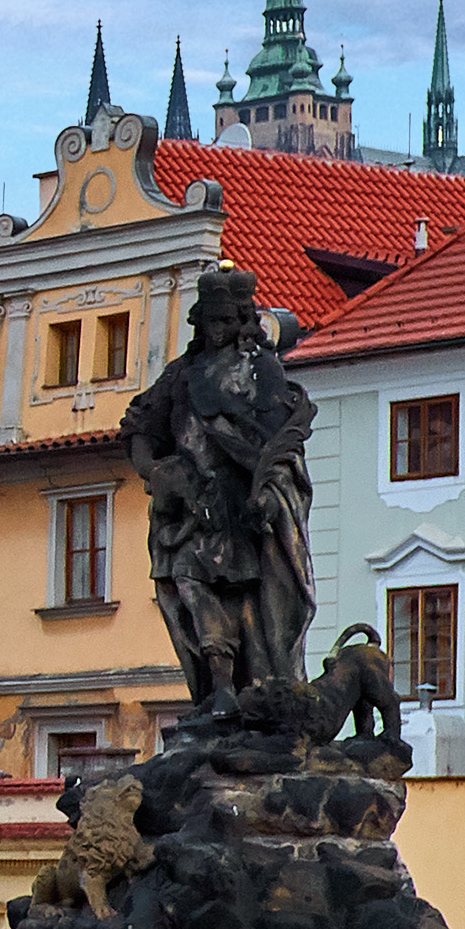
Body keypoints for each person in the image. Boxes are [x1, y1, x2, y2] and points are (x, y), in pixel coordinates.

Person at [122, 265, 318, 704]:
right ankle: (218, 689)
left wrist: (269, 493)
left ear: (243, 320)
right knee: (190, 588)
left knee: (249, 601)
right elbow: (141, 425)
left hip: (240, 503)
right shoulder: (181, 374)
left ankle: (257, 692)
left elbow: (275, 442)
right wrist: (154, 470)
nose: (218, 330)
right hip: (187, 506)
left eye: (227, 320)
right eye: (211, 320)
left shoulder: (260, 369)